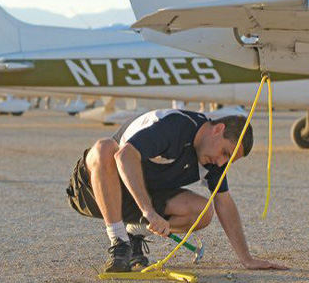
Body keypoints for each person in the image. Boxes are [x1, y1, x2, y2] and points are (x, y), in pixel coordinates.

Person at [67, 109, 288, 272]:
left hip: (137, 199)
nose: (221, 163)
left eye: (228, 160)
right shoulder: (174, 126)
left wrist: (247, 259)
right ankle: (119, 242)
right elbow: (124, 156)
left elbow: (225, 203)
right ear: (218, 130)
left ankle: (134, 233)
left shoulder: (212, 160)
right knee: (105, 147)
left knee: (202, 211)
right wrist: (150, 212)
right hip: (92, 191)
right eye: (225, 153)